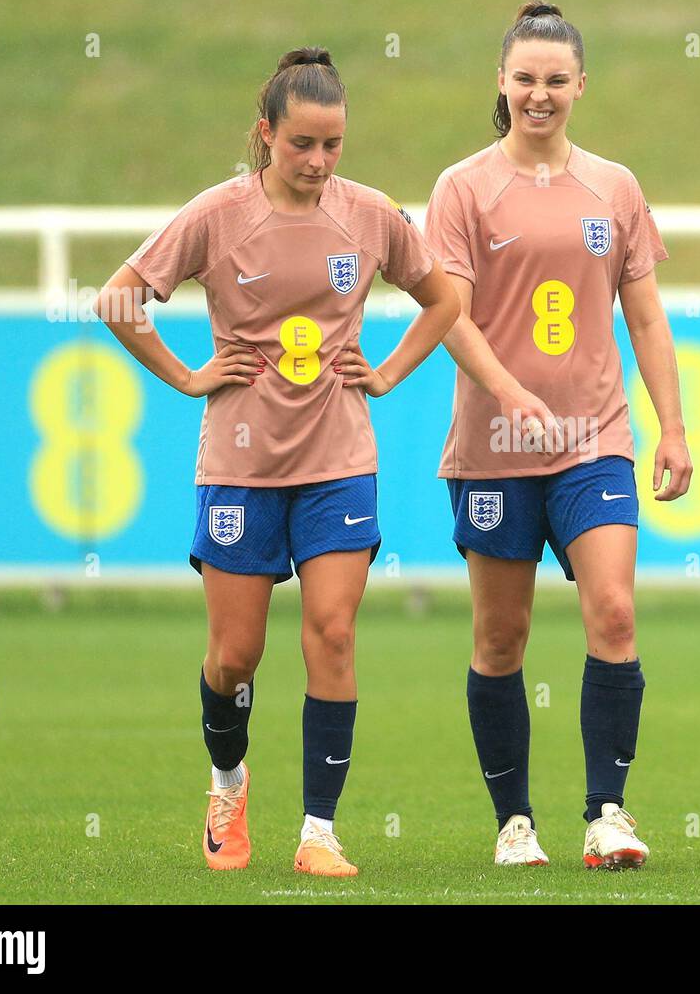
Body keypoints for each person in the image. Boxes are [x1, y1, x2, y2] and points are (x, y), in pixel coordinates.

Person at [92, 46, 460, 878]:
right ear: (266, 135)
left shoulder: (367, 216)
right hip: (241, 468)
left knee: (332, 633)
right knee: (236, 656)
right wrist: (188, 375)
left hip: (338, 461)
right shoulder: (218, 215)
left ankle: (319, 832)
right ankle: (227, 783)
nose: (320, 162)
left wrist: (391, 370)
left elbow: (444, 297)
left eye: (333, 145)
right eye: (303, 144)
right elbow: (117, 297)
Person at [423, 1, 693, 870]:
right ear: (502, 84)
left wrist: (672, 429)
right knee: (502, 638)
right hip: (495, 448)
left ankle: (607, 813)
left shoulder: (613, 187)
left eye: (557, 81)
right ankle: (514, 823)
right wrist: (509, 394)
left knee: (613, 610)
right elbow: (449, 317)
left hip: (595, 440)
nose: (541, 95)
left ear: (581, 86)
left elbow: (645, 319)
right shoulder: (463, 188)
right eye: (526, 79)